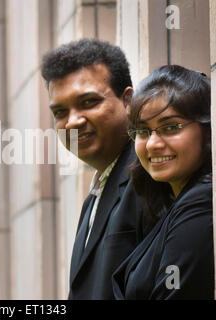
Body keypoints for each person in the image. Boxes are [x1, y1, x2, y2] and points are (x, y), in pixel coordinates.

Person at [41, 39, 153, 299]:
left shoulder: (151, 176)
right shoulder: (95, 196)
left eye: (89, 102)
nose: (72, 122)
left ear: (128, 101)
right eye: (60, 112)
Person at [112, 65, 214, 299]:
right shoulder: (175, 203)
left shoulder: (201, 203)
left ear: (207, 131)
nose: (152, 144)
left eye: (170, 127)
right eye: (143, 131)